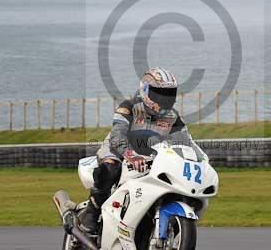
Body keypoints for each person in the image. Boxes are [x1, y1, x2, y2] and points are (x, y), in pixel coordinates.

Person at [79, 67, 205, 233]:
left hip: (150, 156)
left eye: (168, 94)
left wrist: (202, 159)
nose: (164, 99)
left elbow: (185, 142)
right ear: (146, 90)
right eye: (159, 94)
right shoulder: (129, 107)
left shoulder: (173, 117)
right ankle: (91, 213)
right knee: (110, 168)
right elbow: (117, 136)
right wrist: (130, 156)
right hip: (117, 150)